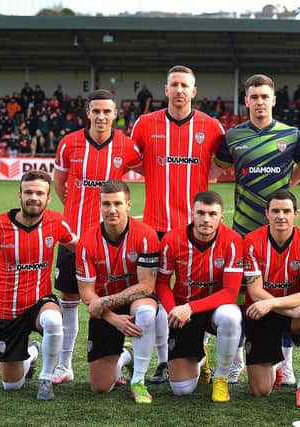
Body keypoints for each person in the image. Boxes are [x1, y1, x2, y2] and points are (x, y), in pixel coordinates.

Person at [214, 74, 300, 383]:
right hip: (243, 230)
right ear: (246, 101)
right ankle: (235, 359)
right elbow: (221, 167)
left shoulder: (291, 135)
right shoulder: (233, 136)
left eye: (265, 96)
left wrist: (289, 185)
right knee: (238, 296)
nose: (260, 101)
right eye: (254, 97)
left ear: (273, 100)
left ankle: (284, 363)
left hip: (280, 230)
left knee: (283, 290)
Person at [131, 65, 225, 384]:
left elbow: (223, 165)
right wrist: (158, 175)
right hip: (156, 228)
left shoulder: (211, 126)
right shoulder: (145, 124)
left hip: (196, 230)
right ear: (166, 89)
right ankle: (163, 359)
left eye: (185, 85)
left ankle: (201, 354)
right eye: (174, 85)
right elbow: (131, 160)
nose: (179, 90)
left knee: (198, 292)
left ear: (194, 91)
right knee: (159, 298)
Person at [52, 89, 141, 385]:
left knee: (109, 301)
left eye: (107, 111)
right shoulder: (69, 144)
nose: (101, 117)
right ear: (87, 113)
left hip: (109, 242)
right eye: (96, 111)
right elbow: (60, 184)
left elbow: (146, 169)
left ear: (115, 114)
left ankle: (117, 360)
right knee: (70, 298)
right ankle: (65, 365)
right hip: (73, 239)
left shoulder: (127, 146)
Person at [0, 170, 78, 400]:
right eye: (28, 192)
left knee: (55, 320)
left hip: (40, 302)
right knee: (11, 386)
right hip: (8, 309)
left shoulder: (56, 221)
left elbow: (80, 247)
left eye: (39, 193)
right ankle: (33, 353)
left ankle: (46, 379)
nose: (33, 197)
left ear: (48, 198)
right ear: (20, 195)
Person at [76, 180, 160, 404]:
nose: (112, 209)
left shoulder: (146, 235)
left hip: (135, 300)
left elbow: (146, 286)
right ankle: (126, 357)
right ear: (100, 206)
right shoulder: (86, 241)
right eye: (106, 204)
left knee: (145, 312)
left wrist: (104, 302)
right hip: (106, 311)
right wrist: (112, 317)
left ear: (128, 205)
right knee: (101, 387)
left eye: (117, 203)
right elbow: (86, 293)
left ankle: (138, 381)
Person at [156, 191, 243, 403]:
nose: (206, 219)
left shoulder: (232, 241)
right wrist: (173, 310)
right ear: (192, 215)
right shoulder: (171, 240)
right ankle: (201, 358)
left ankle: (221, 377)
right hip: (183, 312)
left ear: (222, 217)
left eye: (212, 214)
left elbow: (230, 293)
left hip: (214, 310)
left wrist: (191, 308)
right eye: (201, 213)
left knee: (231, 316)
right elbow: (162, 283)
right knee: (182, 389)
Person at [242, 190, 300, 407]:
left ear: (296, 214)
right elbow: (255, 291)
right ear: (266, 213)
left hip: (284, 310)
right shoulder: (251, 241)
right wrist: (286, 309)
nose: (281, 216)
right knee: (261, 391)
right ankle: (277, 362)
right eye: (275, 211)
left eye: (286, 211)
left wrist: (273, 303)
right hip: (262, 313)